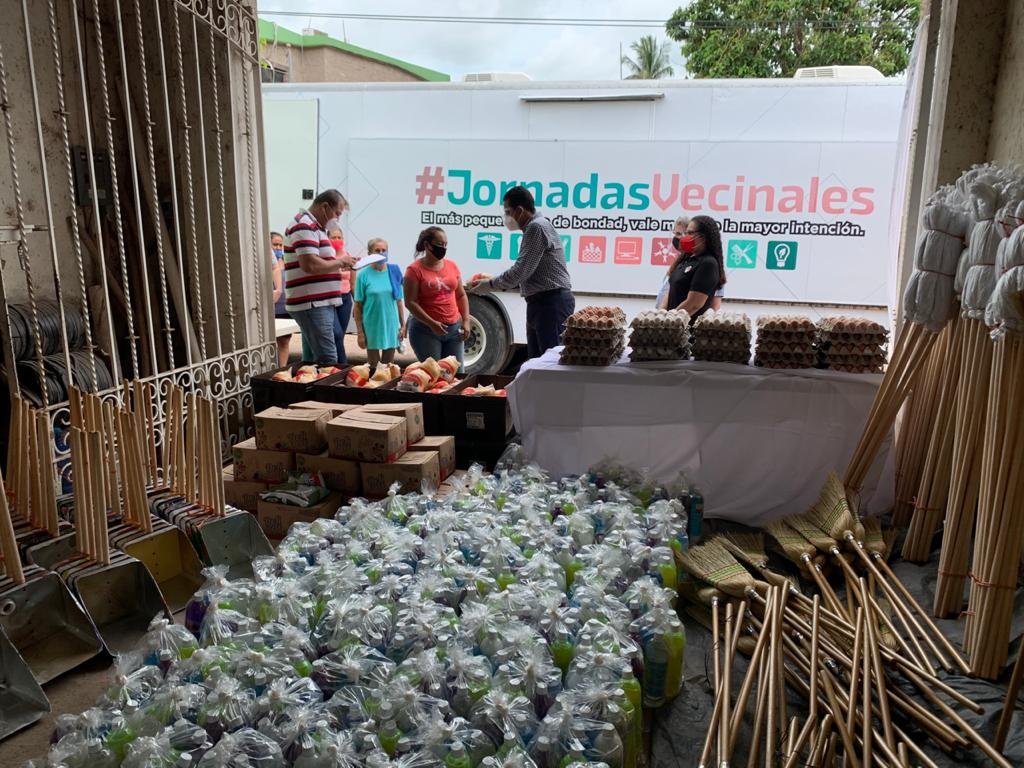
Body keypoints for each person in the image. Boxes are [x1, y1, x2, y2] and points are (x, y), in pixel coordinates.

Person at [467, 185, 574, 359]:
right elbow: (526, 273)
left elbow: (520, 272)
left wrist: (489, 285)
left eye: (508, 212)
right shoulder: (536, 226)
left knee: (549, 363)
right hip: (542, 303)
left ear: (520, 210)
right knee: (537, 363)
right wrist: (494, 282)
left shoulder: (536, 228)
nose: (506, 217)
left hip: (550, 304)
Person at [283, 189, 357, 365]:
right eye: (337, 213)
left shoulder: (316, 227)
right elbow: (311, 265)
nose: (337, 219)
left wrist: (342, 262)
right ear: (325, 207)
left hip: (321, 302)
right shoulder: (304, 225)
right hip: (312, 303)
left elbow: (320, 263)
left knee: (326, 355)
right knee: (327, 359)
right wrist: (340, 263)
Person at [404, 226, 471, 368]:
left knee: (456, 374)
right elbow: (410, 302)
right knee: (434, 374)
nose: (444, 248)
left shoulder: (452, 266)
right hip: (426, 331)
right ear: (427, 245)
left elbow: (461, 295)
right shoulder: (414, 270)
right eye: (440, 244)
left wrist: (466, 321)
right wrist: (432, 323)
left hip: (454, 330)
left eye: (446, 244)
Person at [354, 238, 406, 370]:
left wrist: (403, 325)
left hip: (391, 325)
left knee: (388, 367)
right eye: (377, 250)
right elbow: (358, 306)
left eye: (384, 250)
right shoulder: (363, 275)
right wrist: (360, 332)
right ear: (370, 253)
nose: (381, 253)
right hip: (371, 326)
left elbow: (399, 301)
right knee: (373, 367)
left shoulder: (394, 271)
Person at [666, 214, 726, 322]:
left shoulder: (708, 263)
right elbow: (670, 293)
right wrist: (661, 317)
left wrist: (670, 321)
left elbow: (694, 304)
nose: (685, 237)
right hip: (671, 330)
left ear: (703, 237)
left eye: (690, 233)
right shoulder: (685, 260)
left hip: (686, 331)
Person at [328, 226, 355, 364]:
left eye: (339, 237)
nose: (337, 240)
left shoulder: (348, 256)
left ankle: (336, 365)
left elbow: (353, 282)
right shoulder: (326, 257)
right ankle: (342, 364)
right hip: (330, 299)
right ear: (328, 239)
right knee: (336, 333)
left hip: (345, 299)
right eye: (333, 237)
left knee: (340, 336)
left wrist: (357, 303)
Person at [270, 231, 292, 367]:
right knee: (271, 341)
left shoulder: (287, 261)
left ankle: (281, 369)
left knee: (284, 341)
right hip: (273, 308)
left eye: (280, 245)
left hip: (286, 308)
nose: (278, 248)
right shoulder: (268, 265)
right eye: (275, 245)